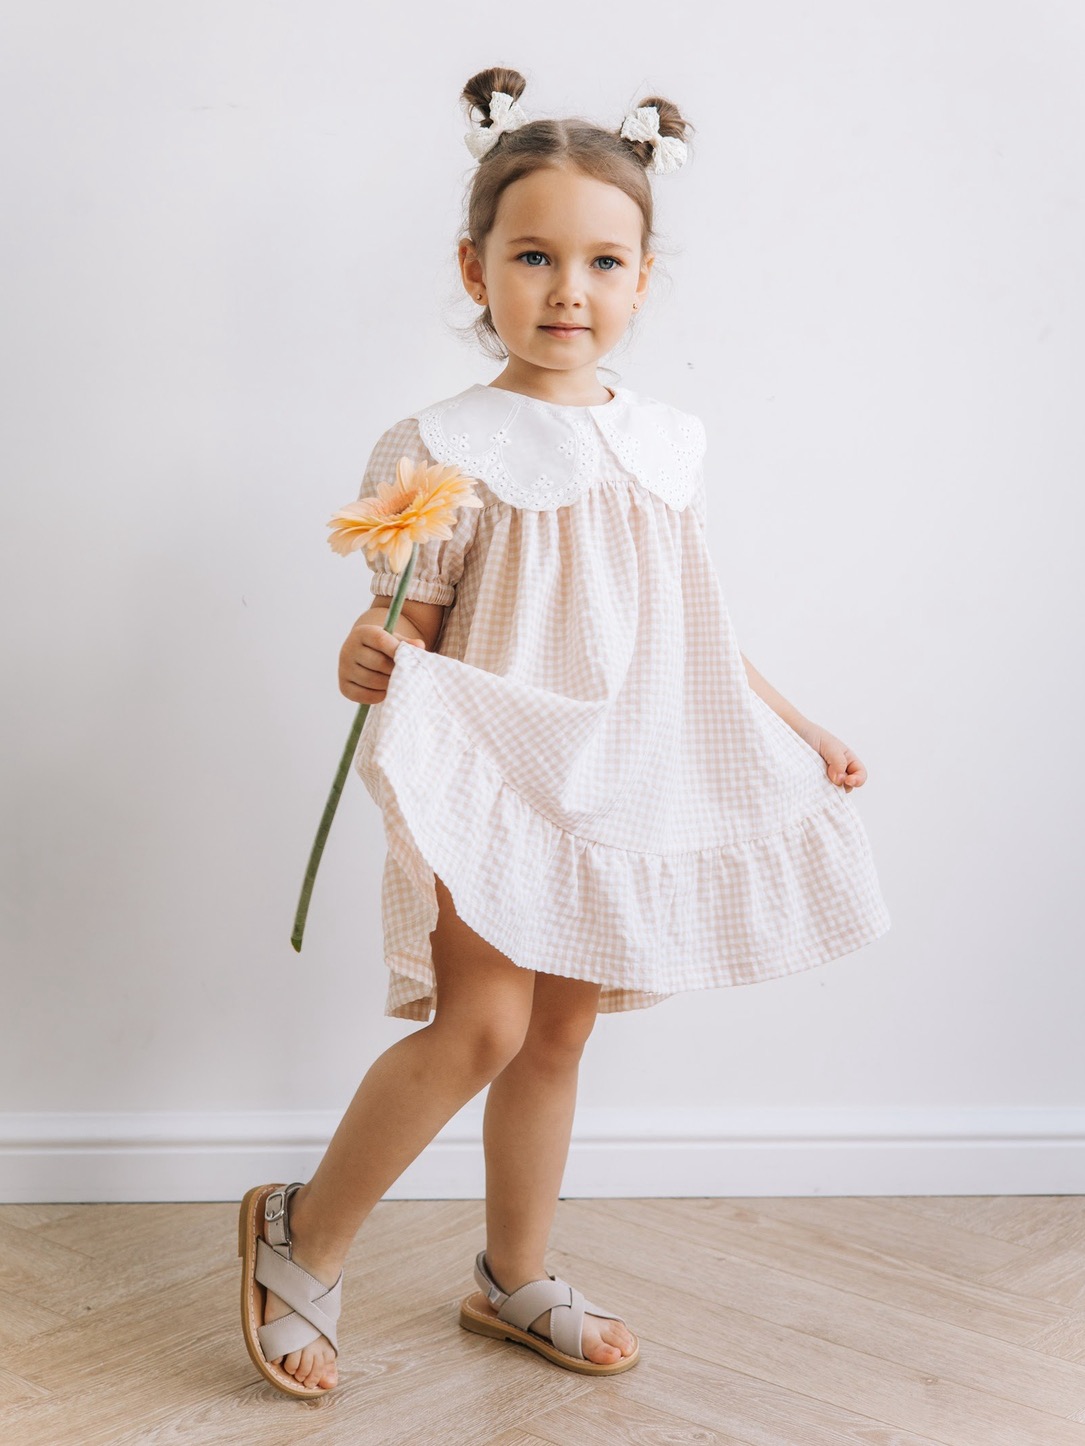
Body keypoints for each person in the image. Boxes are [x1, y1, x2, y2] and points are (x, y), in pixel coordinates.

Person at [238, 63, 892, 1399]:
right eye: (533, 256)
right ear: (474, 268)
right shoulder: (442, 444)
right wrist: (368, 651)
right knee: (481, 1024)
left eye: (602, 261)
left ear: (644, 279)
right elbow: (408, 620)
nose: (567, 290)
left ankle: (511, 1272)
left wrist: (791, 725)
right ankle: (304, 1233)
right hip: (497, 769)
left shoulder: (669, 442)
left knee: (558, 1035)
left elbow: (689, 629)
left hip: (620, 778)